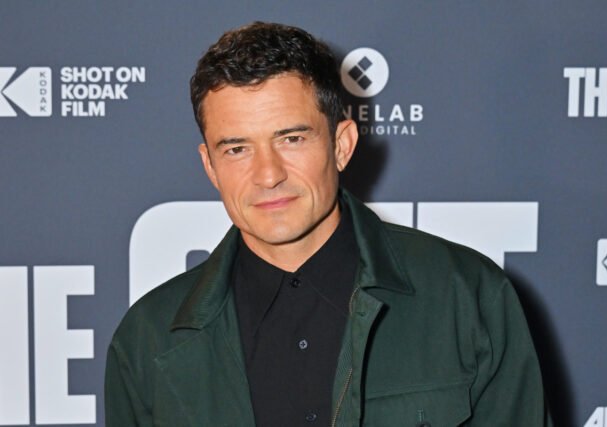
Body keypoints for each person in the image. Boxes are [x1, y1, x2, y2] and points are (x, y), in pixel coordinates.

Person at [105, 22, 553, 426]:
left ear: (341, 145)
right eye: (237, 149)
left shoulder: (466, 295)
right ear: (210, 166)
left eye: (291, 139)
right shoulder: (148, 340)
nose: (268, 174)